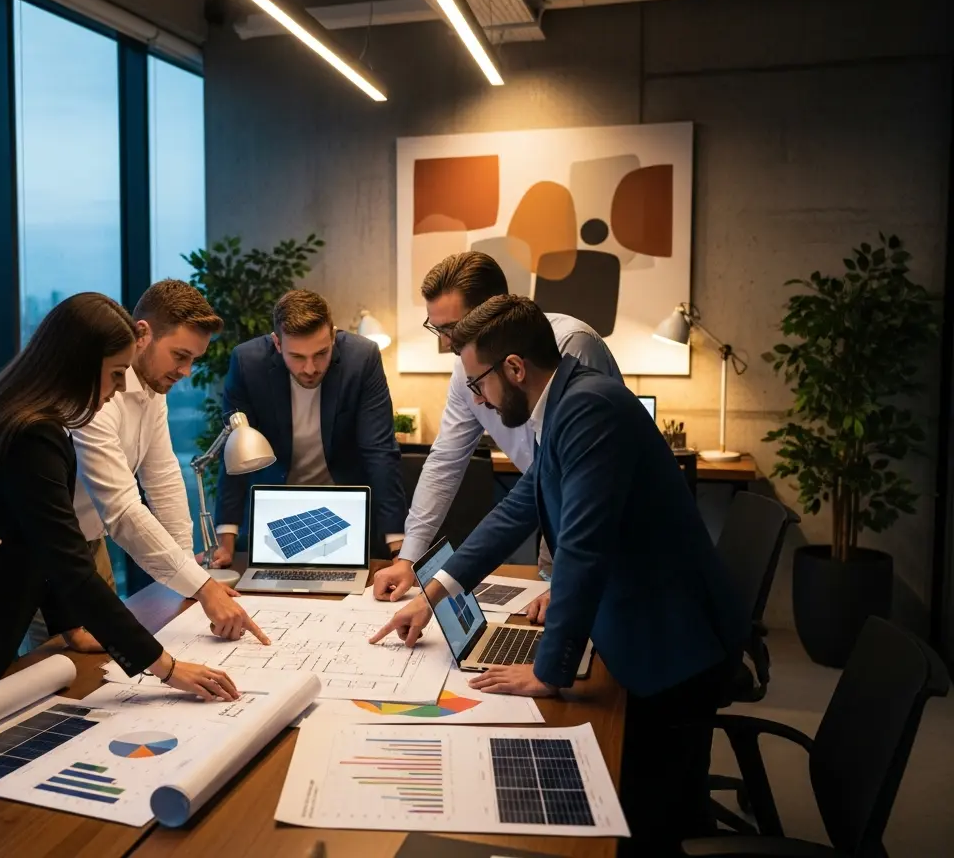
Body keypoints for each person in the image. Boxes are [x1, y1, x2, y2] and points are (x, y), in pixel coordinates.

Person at [370, 295, 746, 856]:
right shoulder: (567, 402)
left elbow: (582, 549)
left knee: (650, 825)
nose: (478, 399)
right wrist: (435, 592)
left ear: (515, 368)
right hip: (650, 629)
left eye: (477, 383)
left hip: (672, 648)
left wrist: (549, 671)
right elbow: (518, 508)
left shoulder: (588, 408)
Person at [0, 293, 239, 718]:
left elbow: (44, 543)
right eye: (116, 374)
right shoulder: (31, 436)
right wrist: (167, 668)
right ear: (80, 362)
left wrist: (70, 627)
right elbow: (69, 564)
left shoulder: (32, 419)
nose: (121, 388)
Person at [21, 280, 267, 651]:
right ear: (143, 334)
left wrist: (190, 577)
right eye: (180, 355)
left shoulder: (155, 389)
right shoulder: (94, 393)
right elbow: (122, 509)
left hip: (92, 540)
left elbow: (163, 479)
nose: (186, 371)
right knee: (59, 664)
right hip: (48, 546)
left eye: (193, 360)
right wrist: (201, 587)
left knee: (107, 657)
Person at [373, 251, 621, 600]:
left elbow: (589, 489)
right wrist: (409, 559)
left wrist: (566, 586)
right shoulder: (468, 368)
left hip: (608, 534)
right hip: (550, 513)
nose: (444, 342)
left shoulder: (571, 346)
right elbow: (446, 462)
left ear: (493, 310)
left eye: (450, 328)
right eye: (437, 328)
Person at [210, 289, 406, 567]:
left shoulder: (362, 358)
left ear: (333, 336)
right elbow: (234, 453)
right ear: (277, 343)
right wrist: (225, 543)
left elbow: (380, 451)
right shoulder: (247, 363)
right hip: (274, 512)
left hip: (347, 510)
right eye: (298, 357)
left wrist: (398, 549)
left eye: (321, 353)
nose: (311, 368)